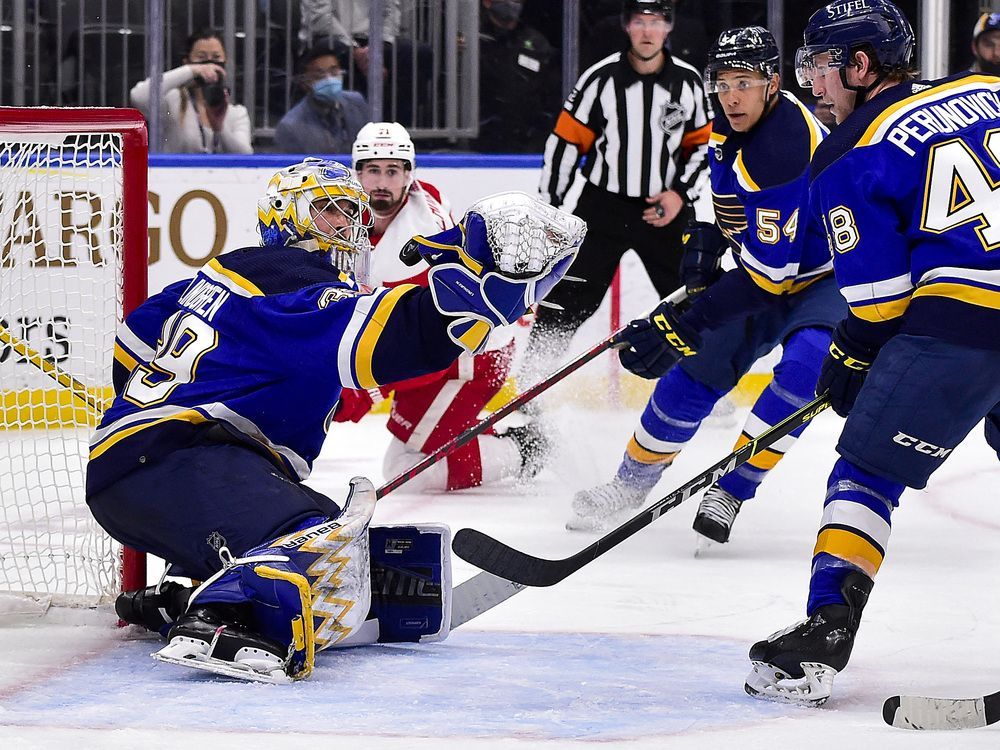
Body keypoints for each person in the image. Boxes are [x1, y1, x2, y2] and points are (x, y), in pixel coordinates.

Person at [86, 158, 583, 683]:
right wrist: (467, 301)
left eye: (352, 214)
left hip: (143, 469)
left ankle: (182, 591)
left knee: (322, 527)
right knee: (309, 538)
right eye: (328, 211)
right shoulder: (294, 280)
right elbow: (390, 337)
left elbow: (130, 346)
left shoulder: (213, 280)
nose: (348, 226)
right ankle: (223, 618)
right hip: (186, 460)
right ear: (285, 217)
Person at [745, 0, 1000, 706]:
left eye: (823, 67)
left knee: (866, 470)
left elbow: (881, 303)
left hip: (966, 326)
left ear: (861, 66)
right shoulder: (984, 90)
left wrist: (851, 356)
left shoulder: (849, 153)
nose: (812, 85)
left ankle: (828, 627)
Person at [569, 27, 835, 538]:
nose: (731, 95)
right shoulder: (730, 120)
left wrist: (687, 320)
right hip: (766, 266)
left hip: (826, 278)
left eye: (745, 82)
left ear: (773, 83)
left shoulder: (783, 147)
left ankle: (731, 490)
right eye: (723, 82)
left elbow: (771, 280)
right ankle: (629, 484)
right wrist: (707, 239)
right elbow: (725, 192)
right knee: (697, 371)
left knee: (803, 372)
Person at [336, 122, 544, 490]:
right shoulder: (356, 219)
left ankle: (528, 449)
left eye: (392, 171)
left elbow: (430, 341)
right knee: (402, 460)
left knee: (406, 474)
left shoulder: (422, 239)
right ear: (357, 173)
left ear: (408, 175)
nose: (382, 182)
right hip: (435, 355)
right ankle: (482, 432)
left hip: (467, 356)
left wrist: (367, 388)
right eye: (373, 170)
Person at [519, 0, 710, 399]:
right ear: (626, 26)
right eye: (639, 21)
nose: (647, 31)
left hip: (664, 209)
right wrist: (550, 211)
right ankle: (530, 385)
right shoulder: (599, 79)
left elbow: (703, 147)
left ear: (669, 28)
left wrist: (679, 194)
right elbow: (566, 145)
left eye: (655, 22)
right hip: (602, 208)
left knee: (694, 296)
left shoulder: (688, 82)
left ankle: (708, 380)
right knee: (566, 297)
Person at [130, 30, 252, 154]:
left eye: (216, 57)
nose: (209, 64)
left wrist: (220, 128)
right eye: (201, 57)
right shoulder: (172, 102)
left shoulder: (237, 113)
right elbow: (138, 96)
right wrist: (192, 70)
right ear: (187, 62)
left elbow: (246, 156)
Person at [475, 0, 561, 153]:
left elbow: (551, 90)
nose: (513, 4)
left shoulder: (536, 42)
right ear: (487, 2)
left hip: (527, 134)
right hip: (482, 131)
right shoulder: (473, 38)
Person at [273, 46, 370, 154]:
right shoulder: (290, 127)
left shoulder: (356, 102)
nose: (329, 78)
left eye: (334, 71)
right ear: (305, 82)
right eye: (320, 74)